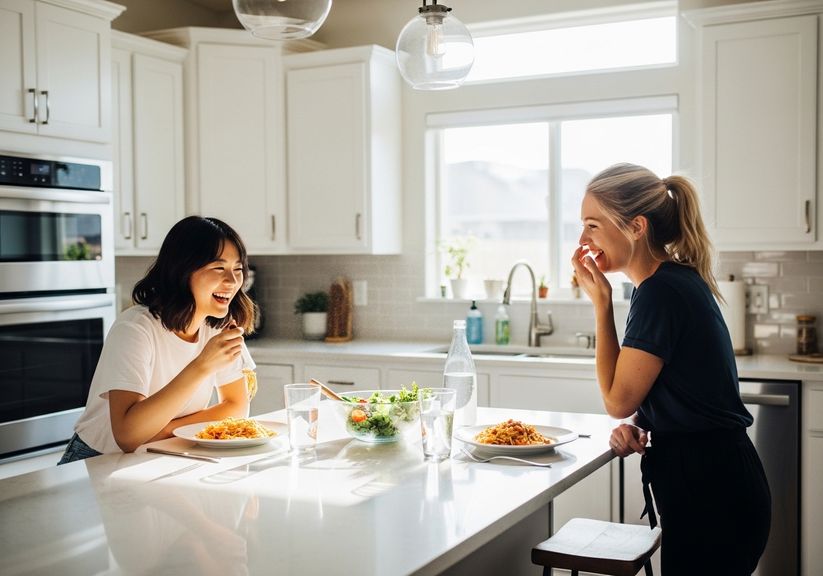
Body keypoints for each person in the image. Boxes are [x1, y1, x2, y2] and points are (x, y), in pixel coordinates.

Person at [570, 163, 770, 575]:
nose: (583, 240)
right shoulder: (671, 282)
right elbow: (682, 386)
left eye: (592, 225)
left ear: (636, 226)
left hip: (711, 493)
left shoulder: (659, 292)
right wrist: (645, 422)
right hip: (718, 482)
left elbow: (615, 399)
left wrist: (601, 306)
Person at [59, 216, 257, 463]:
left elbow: (236, 407)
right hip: (98, 459)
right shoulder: (135, 328)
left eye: (237, 269)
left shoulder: (217, 327)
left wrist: (162, 431)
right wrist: (201, 366)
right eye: (218, 268)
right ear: (183, 270)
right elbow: (128, 436)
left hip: (167, 450)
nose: (231, 281)